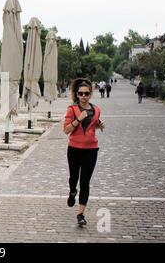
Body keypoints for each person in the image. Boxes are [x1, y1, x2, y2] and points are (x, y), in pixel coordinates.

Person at [64, 78, 105, 226]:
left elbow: (95, 122)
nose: (83, 96)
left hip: (91, 150)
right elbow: (66, 130)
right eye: (80, 93)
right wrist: (78, 119)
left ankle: (80, 214)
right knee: (73, 178)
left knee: (85, 182)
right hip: (74, 149)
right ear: (77, 94)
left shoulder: (97, 109)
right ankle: (72, 192)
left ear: (90, 94)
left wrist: (100, 124)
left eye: (86, 93)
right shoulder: (72, 109)